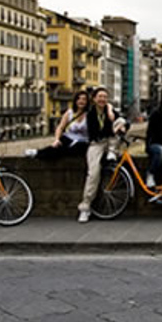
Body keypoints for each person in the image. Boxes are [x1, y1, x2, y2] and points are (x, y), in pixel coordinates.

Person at [77, 86, 126, 223]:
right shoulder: (90, 114)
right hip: (96, 144)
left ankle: (112, 151)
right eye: (100, 97)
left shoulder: (109, 111)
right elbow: (96, 133)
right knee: (93, 173)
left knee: (120, 122)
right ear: (94, 99)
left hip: (110, 142)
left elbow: (124, 122)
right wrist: (112, 126)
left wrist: (111, 111)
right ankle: (85, 207)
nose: (102, 99)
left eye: (105, 97)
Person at [24, 91, 90, 160]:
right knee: (56, 147)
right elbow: (60, 127)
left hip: (82, 142)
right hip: (67, 139)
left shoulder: (90, 114)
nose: (81, 101)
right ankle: (36, 153)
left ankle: (36, 153)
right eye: (79, 99)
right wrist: (57, 139)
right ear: (75, 101)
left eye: (84, 99)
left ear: (87, 102)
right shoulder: (70, 113)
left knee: (66, 150)